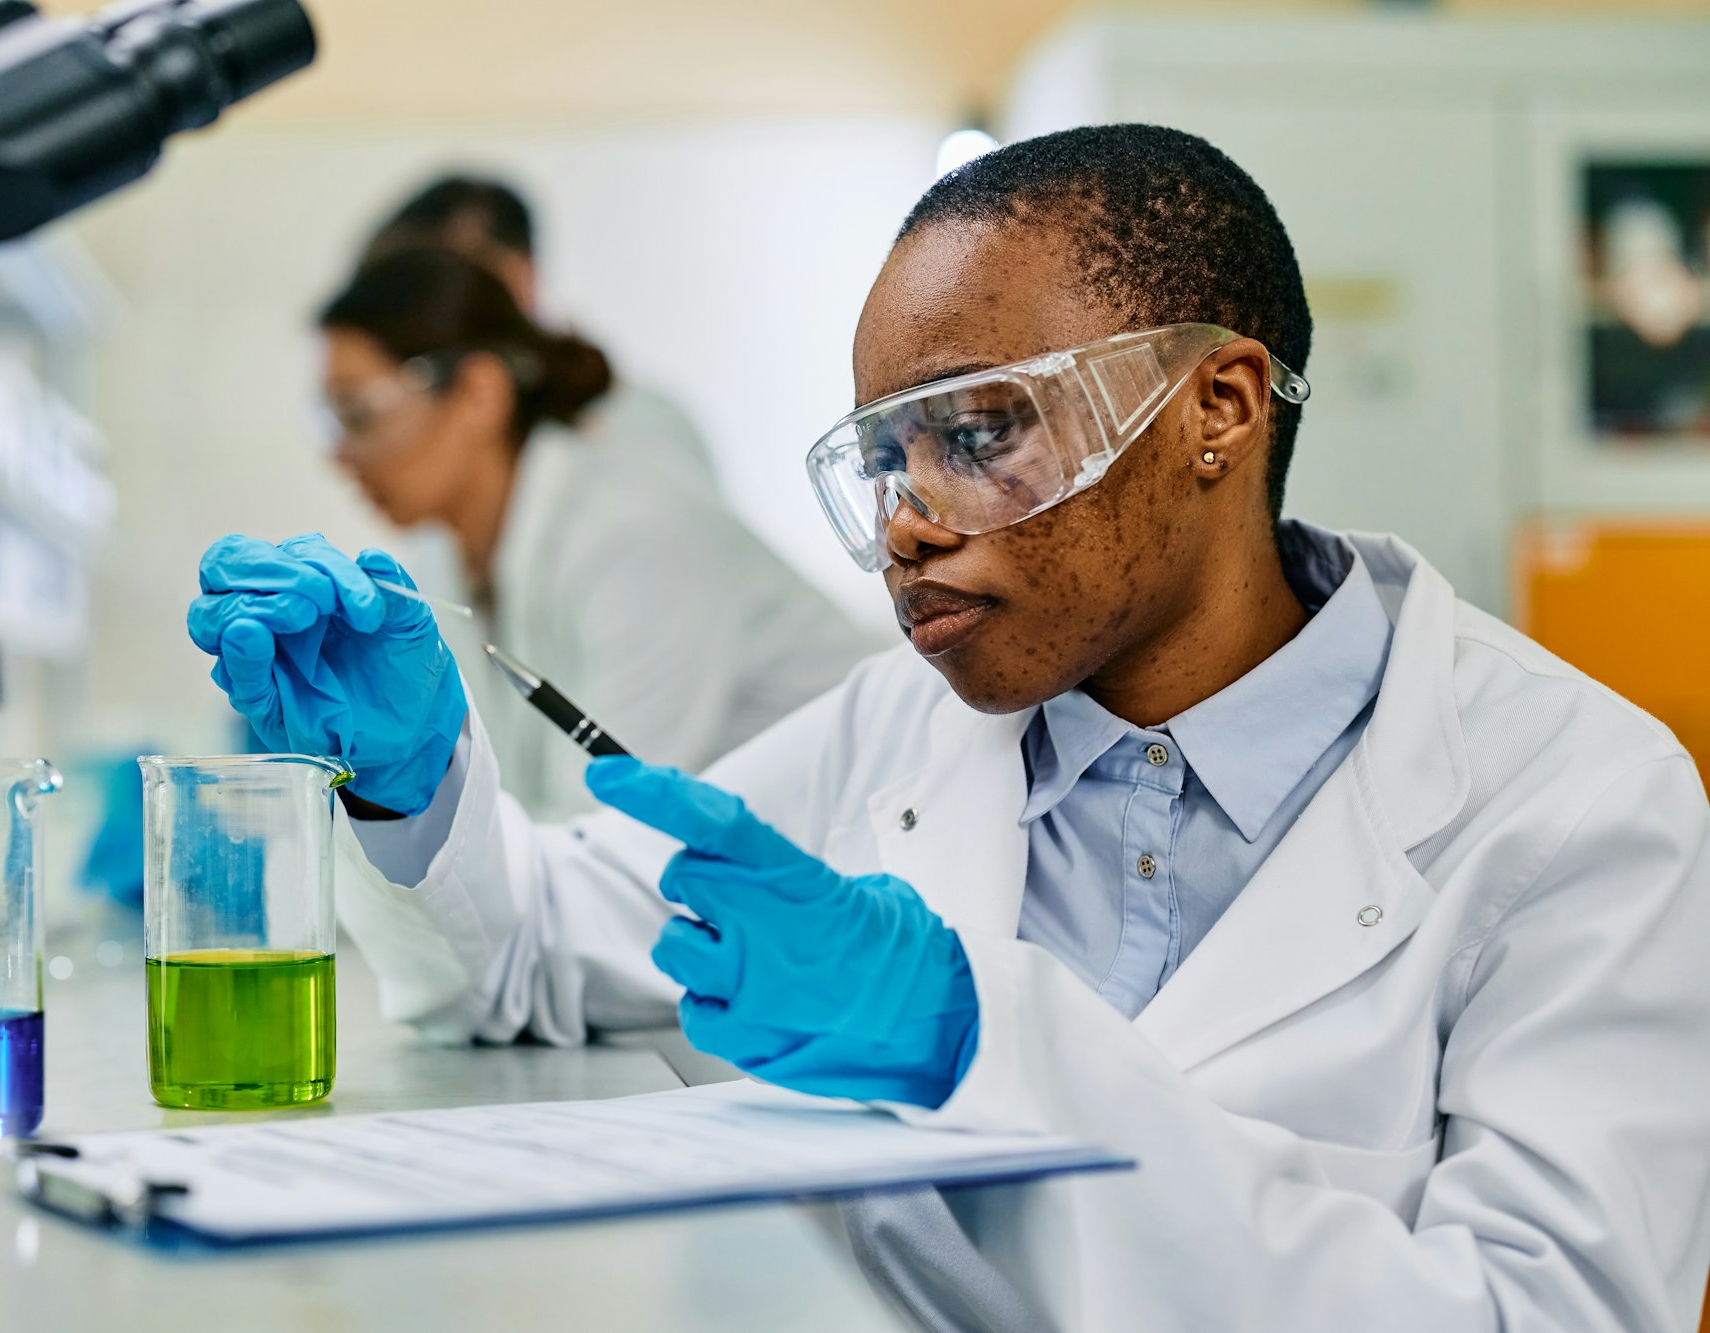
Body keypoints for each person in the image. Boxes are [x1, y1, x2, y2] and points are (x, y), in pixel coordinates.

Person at [189, 126, 1710, 1330]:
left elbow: (1536, 1315)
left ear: (1219, 411)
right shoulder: (900, 728)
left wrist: (980, 1043)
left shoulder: (1579, 809)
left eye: (980, 433)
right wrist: (409, 787)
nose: (910, 524)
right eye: (886, 462)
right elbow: (534, 950)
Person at [293, 245, 875, 821]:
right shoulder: (443, 557)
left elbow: (598, 832)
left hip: (875, 833)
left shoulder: (632, 536)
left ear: (479, 393)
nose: (340, 455)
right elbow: (503, 809)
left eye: (359, 415)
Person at [364, 174, 717, 490]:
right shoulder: (434, 456)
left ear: (521, 279)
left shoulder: (636, 431)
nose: (415, 325)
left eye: (439, 290)